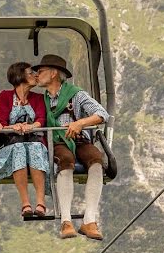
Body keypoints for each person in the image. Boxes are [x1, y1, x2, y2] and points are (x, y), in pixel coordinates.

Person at [34, 54, 111, 240]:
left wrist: (80, 123)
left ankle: (89, 220)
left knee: (96, 160)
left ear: (53, 74)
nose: (37, 75)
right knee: (65, 161)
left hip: (78, 138)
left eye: (41, 71)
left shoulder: (76, 94)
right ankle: (66, 221)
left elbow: (102, 114)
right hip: (57, 141)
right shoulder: (40, 100)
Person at [0, 62, 50, 218]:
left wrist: (31, 126)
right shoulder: (5, 96)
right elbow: (1, 121)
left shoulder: (38, 98)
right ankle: (25, 203)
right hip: (12, 142)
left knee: (35, 147)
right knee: (19, 149)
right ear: (20, 76)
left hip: (33, 139)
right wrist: (12, 127)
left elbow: (41, 118)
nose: (35, 76)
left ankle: (41, 202)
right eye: (31, 73)